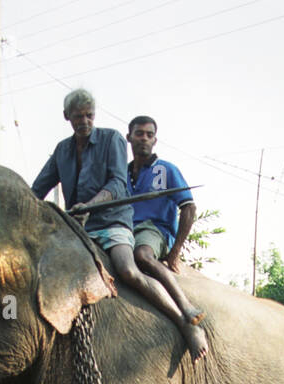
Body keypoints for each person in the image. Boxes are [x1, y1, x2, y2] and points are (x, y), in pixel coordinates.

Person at [31, 89, 208, 361]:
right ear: (67, 117)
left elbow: (116, 183)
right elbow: (39, 188)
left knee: (129, 268)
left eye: (89, 116)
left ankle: (183, 318)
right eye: (78, 117)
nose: (85, 122)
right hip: (79, 227)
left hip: (113, 222)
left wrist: (90, 205)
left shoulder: (112, 140)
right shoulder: (62, 150)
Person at [126, 115, 208, 360]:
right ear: (129, 137)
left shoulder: (166, 170)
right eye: (139, 133)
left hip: (154, 230)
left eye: (149, 135)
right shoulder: (122, 172)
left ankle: (185, 308)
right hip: (123, 231)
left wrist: (175, 251)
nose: (144, 138)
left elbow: (189, 207)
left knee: (142, 255)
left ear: (155, 140)